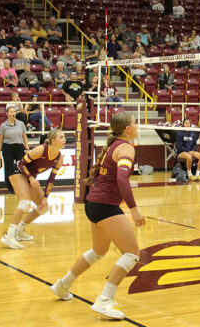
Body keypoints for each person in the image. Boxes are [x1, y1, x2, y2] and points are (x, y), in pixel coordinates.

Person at [49, 113, 145, 319]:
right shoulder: (126, 148)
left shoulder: (113, 146)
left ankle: (62, 285)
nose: (137, 126)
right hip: (105, 205)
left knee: (98, 251)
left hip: (93, 203)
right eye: (134, 123)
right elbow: (122, 179)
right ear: (127, 129)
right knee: (131, 253)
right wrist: (134, 208)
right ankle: (105, 300)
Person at [0, 129, 65, 249]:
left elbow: (52, 179)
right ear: (52, 140)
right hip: (17, 171)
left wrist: (45, 197)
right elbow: (21, 164)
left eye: (64, 137)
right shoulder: (41, 149)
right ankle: (9, 235)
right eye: (61, 137)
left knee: (43, 207)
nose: (64, 140)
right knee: (24, 202)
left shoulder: (60, 158)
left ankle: (19, 230)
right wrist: (30, 178)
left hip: (30, 177)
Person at [0, 106, 29, 194]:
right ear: (7, 114)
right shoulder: (3, 125)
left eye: (14, 112)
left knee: (21, 167)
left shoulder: (21, 124)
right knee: (8, 168)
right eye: (10, 112)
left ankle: (22, 186)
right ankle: (11, 189)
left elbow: (24, 137)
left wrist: (27, 148)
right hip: (7, 147)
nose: (12, 113)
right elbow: (0, 139)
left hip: (19, 147)